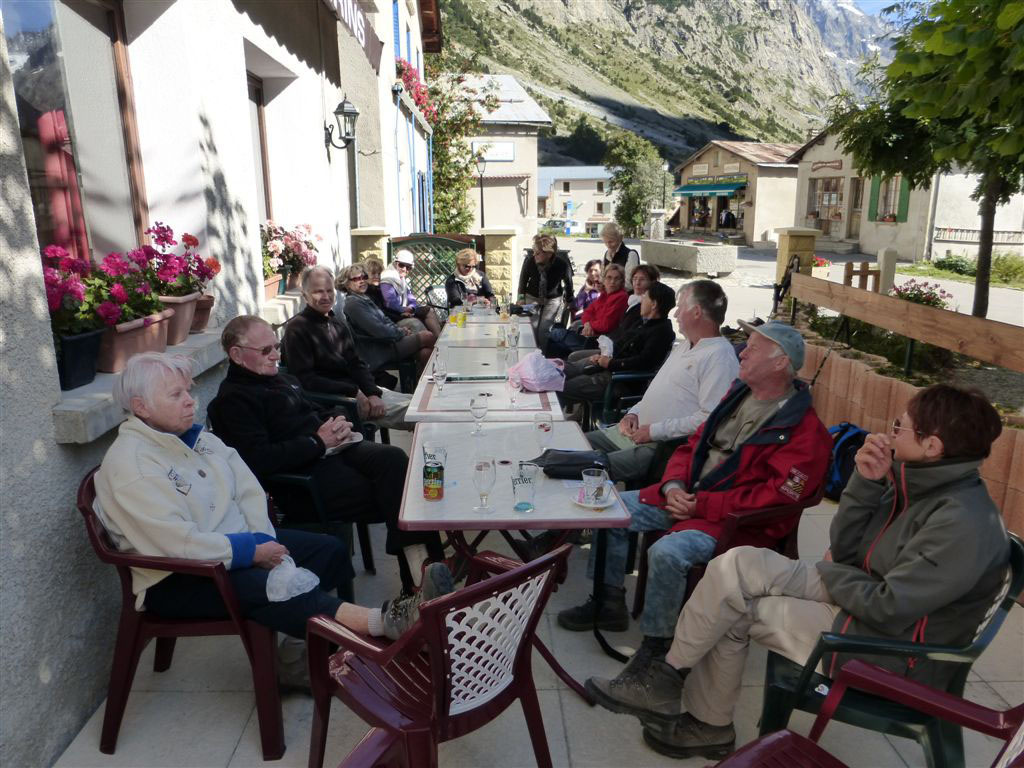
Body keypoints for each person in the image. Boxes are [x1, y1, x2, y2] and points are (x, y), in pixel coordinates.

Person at [597, 384, 1010, 761]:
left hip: (890, 646)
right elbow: (846, 551)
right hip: (862, 594)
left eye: (900, 426)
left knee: (737, 609)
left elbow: (887, 607)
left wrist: (832, 572)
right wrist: (865, 484)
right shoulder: (914, 484)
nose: (889, 432)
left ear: (932, 446)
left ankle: (706, 722)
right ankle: (667, 677)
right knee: (735, 563)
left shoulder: (961, 522)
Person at [93, 352, 454, 689]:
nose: (190, 401)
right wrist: (252, 553)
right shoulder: (133, 466)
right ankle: (386, 624)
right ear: (140, 407)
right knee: (273, 586)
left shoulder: (194, 439)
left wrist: (264, 541)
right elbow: (175, 543)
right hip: (179, 578)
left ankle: (303, 653)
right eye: (176, 395)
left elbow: (248, 491)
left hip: (229, 546)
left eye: (188, 390)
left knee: (327, 551)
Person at [558, 321, 830, 671]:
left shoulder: (804, 431)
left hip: (735, 523)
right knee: (609, 507)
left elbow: (777, 499)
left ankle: (658, 653)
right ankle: (608, 603)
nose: (742, 353)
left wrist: (702, 504)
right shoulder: (738, 395)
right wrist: (672, 485)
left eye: (753, 348)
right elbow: (692, 445)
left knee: (667, 552)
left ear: (780, 363)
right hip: (687, 497)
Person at [212, 315, 444, 594]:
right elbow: (258, 460)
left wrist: (337, 421)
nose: (275, 355)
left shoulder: (280, 379)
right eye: (265, 350)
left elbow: (313, 410)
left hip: (333, 451)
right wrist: (317, 442)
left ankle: (425, 573)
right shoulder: (233, 400)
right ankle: (422, 576)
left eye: (276, 346)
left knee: (395, 460)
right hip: (302, 482)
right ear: (236, 355)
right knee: (403, 494)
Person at [582, 280, 739, 485]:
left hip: (661, 448)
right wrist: (633, 414)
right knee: (575, 442)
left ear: (696, 312)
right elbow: (659, 389)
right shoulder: (686, 345)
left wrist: (653, 431)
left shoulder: (719, 357)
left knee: (584, 467)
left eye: (680, 308)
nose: (676, 314)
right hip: (634, 432)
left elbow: (710, 418)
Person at [284, 266, 411, 429]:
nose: (326, 297)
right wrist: (354, 392)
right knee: (421, 414)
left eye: (329, 291)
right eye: (318, 292)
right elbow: (305, 379)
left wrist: (372, 392)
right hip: (335, 403)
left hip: (358, 392)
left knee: (421, 404)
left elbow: (355, 363)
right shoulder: (297, 328)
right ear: (305, 295)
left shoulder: (336, 323)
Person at [559, 281, 677, 404]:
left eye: (645, 297)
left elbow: (643, 361)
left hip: (621, 381)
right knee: (566, 370)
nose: (641, 300)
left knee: (560, 388)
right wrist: (604, 355)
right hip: (610, 367)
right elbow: (622, 341)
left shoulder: (662, 332)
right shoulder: (643, 322)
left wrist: (610, 363)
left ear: (654, 304)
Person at [338, 263, 434, 373]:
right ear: (347, 284)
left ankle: (423, 381)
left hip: (387, 343)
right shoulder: (353, 304)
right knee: (427, 336)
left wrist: (399, 329)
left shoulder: (363, 298)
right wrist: (401, 332)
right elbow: (379, 330)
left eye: (364, 277)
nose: (362, 281)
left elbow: (384, 319)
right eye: (356, 279)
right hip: (379, 350)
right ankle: (442, 370)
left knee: (425, 353)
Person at [545, 263, 628, 358]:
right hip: (589, 336)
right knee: (555, 344)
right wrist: (588, 324)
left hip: (597, 342)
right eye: (609, 278)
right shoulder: (605, 295)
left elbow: (606, 325)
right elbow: (588, 312)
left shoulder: (621, 297)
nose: (612, 282)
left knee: (553, 332)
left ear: (622, 281)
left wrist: (590, 325)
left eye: (617, 279)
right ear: (604, 280)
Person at [517, 233, 574, 348]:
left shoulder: (562, 264)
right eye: (534, 251)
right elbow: (522, 281)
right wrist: (521, 299)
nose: (535, 255)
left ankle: (542, 354)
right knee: (531, 328)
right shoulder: (530, 261)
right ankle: (529, 353)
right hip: (532, 297)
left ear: (549, 253)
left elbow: (568, 283)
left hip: (552, 300)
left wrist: (569, 300)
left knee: (544, 330)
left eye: (538, 253)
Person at [378, 249, 442, 338]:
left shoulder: (401, 279)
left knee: (429, 310)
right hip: (393, 315)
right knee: (417, 323)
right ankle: (432, 341)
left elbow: (411, 298)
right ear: (395, 263)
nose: (404, 269)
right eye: (401, 265)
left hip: (403, 311)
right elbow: (390, 303)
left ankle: (439, 339)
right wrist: (403, 310)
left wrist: (411, 307)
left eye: (408, 267)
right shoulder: (388, 278)